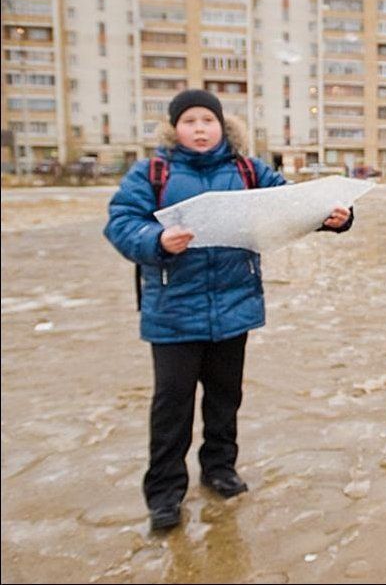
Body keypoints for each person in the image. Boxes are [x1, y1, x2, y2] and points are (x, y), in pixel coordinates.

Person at [104, 89, 353, 532]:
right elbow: (121, 222)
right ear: (174, 128)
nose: (200, 129)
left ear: (223, 126)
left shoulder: (246, 169)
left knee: (225, 400)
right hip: (173, 314)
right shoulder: (153, 172)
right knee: (171, 407)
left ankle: (219, 471)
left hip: (234, 307)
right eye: (190, 121)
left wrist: (331, 216)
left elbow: (288, 204)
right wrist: (156, 241)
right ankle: (164, 494)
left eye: (208, 120)